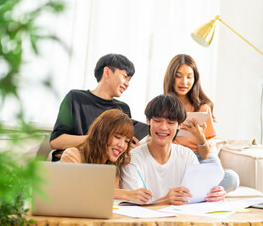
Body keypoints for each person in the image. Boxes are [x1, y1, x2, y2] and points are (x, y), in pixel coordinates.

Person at [120, 94, 226, 205]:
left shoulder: (187, 156)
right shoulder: (132, 159)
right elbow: (132, 206)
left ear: (179, 125)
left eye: (170, 123)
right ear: (148, 121)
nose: (163, 127)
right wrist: (165, 200)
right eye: (157, 121)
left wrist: (214, 195)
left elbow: (196, 198)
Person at [163, 54, 239, 192]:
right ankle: (201, 192)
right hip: (179, 159)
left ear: (195, 79)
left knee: (232, 178)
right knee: (174, 178)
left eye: (189, 77)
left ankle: (196, 192)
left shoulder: (203, 108)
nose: (184, 82)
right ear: (171, 78)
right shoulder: (163, 106)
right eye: (178, 76)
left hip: (202, 159)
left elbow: (205, 155)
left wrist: (199, 137)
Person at [50, 53, 137, 161]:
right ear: (107, 72)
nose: (127, 84)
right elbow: (55, 142)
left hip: (104, 165)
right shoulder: (76, 98)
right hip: (72, 162)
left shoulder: (123, 109)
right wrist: (97, 139)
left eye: (129, 80)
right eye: (124, 77)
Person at [60, 109, 153, 204]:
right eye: (117, 137)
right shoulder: (73, 155)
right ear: (101, 134)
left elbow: (112, 203)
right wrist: (127, 194)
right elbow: (77, 189)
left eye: (126, 141)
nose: (122, 145)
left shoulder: (113, 168)